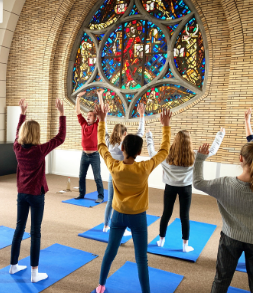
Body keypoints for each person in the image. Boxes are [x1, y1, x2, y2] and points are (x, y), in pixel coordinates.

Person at [95, 104, 172, 293]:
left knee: (110, 252)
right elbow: (164, 150)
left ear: (122, 148)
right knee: (141, 259)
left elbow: (101, 145)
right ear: (139, 152)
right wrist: (166, 126)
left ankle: (101, 285)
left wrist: (102, 121)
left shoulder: (114, 166)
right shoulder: (144, 167)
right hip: (138, 217)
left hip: (118, 215)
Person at [9, 98, 66, 283]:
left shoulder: (17, 147)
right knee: (35, 232)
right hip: (36, 195)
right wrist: (61, 113)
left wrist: (22, 113)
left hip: (22, 194)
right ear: (36, 134)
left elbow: (17, 134)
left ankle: (13, 266)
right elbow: (61, 137)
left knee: (19, 228)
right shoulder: (39, 150)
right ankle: (34, 274)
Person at [147, 127, 225, 252]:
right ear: (189, 142)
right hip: (186, 188)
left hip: (170, 187)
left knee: (166, 213)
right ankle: (185, 246)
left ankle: (161, 241)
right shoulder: (195, 155)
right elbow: (213, 151)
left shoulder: (166, 155)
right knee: (184, 216)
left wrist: (149, 136)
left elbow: (151, 152)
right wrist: (220, 134)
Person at [194, 142, 253, 293]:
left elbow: (198, 183)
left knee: (221, 280)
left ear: (241, 158)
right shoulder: (225, 183)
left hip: (229, 239)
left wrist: (200, 159)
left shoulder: (224, 184)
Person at [102, 95, 145, 235]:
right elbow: (140, 133)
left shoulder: (109, 142)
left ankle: (106, 226)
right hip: (124, 176)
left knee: (110, 201)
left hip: (112, 174)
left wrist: (104, 117)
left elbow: (104, 131)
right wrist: (141, 116)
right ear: (124, 133)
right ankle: (122, 227)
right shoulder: (124, 145)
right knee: (122, 203)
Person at [74, 90, 104, 203]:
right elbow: (77, 111)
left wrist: (100, 95)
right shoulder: (83, 124)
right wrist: (78, 97)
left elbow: (101, 111)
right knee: (81, 176)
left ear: (95, 118)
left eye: (90, 115)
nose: (87, 117)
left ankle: (100, 196)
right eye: (87, 115)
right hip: (84, 155)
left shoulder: (96, 125)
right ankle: (81, 194)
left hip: (94, 155)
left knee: (97, 177)